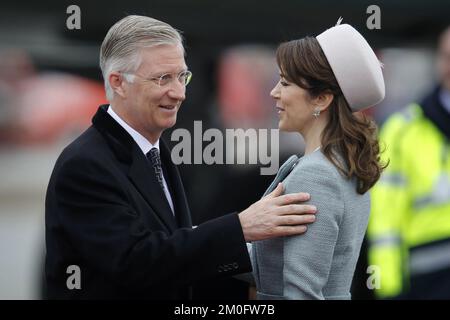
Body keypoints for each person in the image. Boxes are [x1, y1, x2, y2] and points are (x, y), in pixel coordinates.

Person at [44, 15, 318, 300]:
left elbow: (174, 260)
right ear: (119, 83)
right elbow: (135, 263)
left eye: (181, 77)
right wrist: (241, 228)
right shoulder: (85, 165)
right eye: (162, 78)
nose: (178, 93)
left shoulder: (156, 152)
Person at [248, 22, 386, 299]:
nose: (274, 92)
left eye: (285, 82)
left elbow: (302, 292)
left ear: (321, 99)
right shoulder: (344, 165)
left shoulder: (316, 175)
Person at [367, 26, 450, 299]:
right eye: (447, 57)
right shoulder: (402, 131)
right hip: (426, 281)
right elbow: (384, 222)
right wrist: (388, 290)